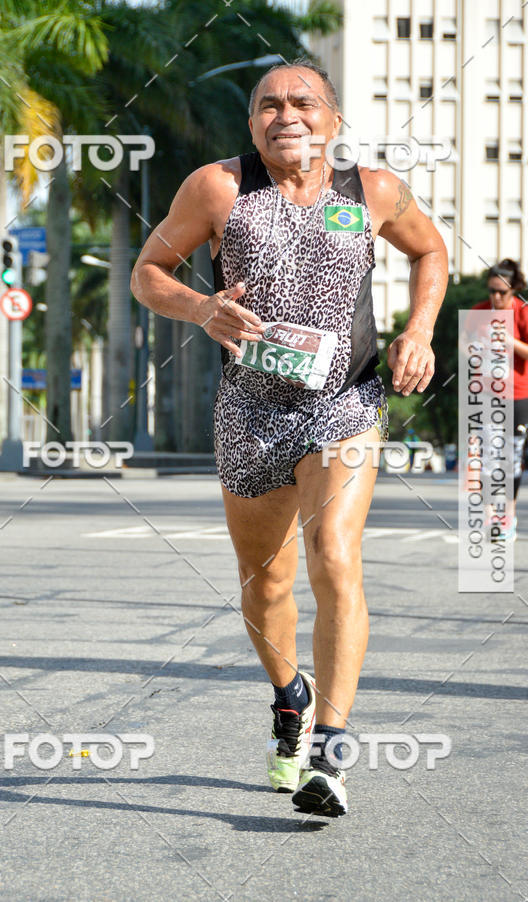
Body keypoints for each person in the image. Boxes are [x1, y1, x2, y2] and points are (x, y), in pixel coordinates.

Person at [131, 59, 447, 817]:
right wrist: (202, 309)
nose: (286, 114)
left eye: (303, 102)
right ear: (251, 125)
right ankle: (289, 697)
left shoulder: (371, 192)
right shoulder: (219, 188)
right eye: (268, 105)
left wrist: (420, 330)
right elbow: (148, 273)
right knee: (265, 581)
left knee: (334, 557)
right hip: (249, 409)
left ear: (333, 120)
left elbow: (430, 251)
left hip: (345, 401)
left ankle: (331, 753)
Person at [472, 259, 528, 541]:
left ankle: (508, 516)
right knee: (487, 460)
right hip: (485, 396)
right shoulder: (479, 312)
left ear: (514, 290)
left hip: (518, 396)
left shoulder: (523, 312)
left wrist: (508, 341)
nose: (495, 297)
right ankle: (489, 516)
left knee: (511, 459)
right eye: (492, 291)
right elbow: (463, 346)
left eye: (502, 293)